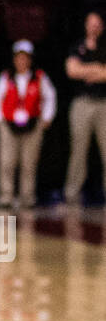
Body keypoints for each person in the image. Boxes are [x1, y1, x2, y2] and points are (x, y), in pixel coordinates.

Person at [0, 41, 56, 209]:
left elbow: (50, 97)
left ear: (30, 60)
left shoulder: (40, 77)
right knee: (7, 162)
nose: (22, 61)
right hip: (9, 124)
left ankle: (28, 198)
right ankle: (6, 197)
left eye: (25, 58)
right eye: (19, 58)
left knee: (29, 162)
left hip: (33, 124)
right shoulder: (6, 77)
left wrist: (47, 118)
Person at [63, 11, 106, 204]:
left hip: (103, 103)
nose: (94, 27)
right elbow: (72, 71)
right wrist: (97, 69)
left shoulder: (104, 47)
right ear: (86, 25)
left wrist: (86, 70)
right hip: (82, 103)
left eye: (98, 23)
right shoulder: (77, 47)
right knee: (78, 150)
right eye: (91, 23)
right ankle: (72, 195)